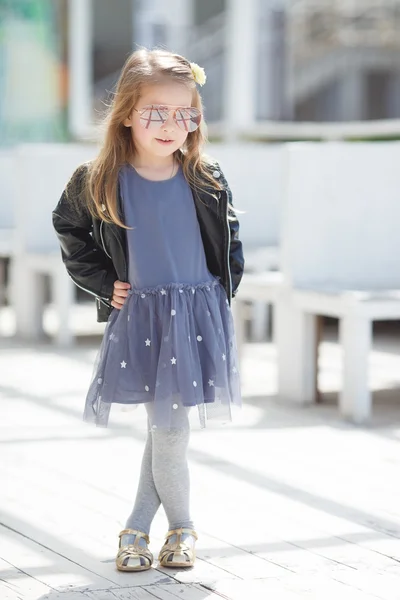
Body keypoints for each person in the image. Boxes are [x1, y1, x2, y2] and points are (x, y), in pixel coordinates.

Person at [52, 48, 244, 573]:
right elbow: (68, 229)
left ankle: (145, 529)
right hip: (142, 315)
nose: (172, 125)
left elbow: (229, 240)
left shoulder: (204, 175)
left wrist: (220, 297)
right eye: (157, 112)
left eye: (185, 113)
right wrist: (100, 282)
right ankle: (173, 526)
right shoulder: (99, 178)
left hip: (197, 314)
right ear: (128, 114)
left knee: (169, 429)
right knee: (168, 428)